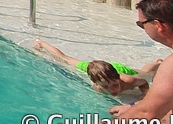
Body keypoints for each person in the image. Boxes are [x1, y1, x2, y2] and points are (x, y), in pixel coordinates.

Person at [32, 40, 160, 96]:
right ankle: (42, 42)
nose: (111, 89)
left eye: (114, 85)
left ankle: (159, 63)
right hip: (100, 69)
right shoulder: (93, 78)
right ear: (95, 83)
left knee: (147, 72)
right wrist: (42, 44)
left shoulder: (127, 79)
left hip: (120, 70)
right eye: (105, 87)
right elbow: (63, 57)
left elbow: (143, 82)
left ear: (118, 78)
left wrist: (145, 94)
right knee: (65, 60)